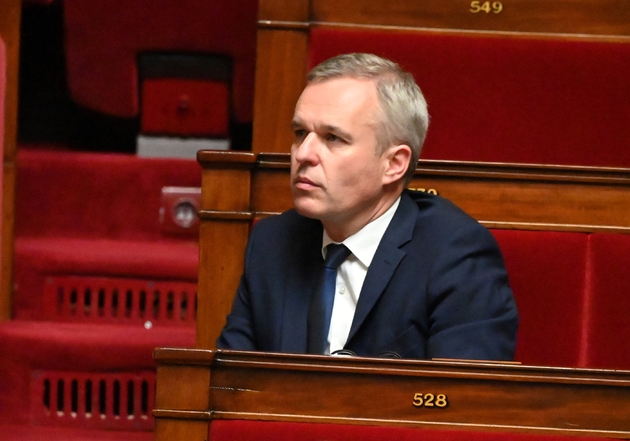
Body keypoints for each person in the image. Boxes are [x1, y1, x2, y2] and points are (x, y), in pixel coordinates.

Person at [217, 53, 518, 360]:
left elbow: (463, 399)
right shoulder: (273, 242)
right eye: (300, 133)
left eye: (333, 138)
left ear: (393, 164)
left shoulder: (455, 254)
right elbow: (231, 383)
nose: (303, 154)